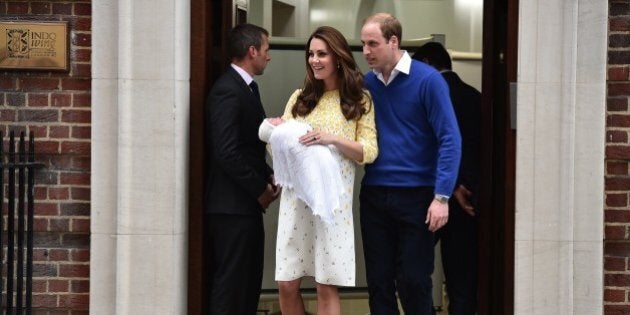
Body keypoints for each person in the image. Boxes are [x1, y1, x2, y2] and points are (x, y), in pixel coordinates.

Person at [359, 13, 462, 314]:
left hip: (418, 196)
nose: (365, 51)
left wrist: (441, 196)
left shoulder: (428, 81)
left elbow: (450, 139)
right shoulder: (366, 84)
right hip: (375, 195)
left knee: (414, 281)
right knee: (378, 283)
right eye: (364, 44)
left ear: (394, 41)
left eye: (372, 44)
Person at [274, 26, 378, 315]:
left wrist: (330, 138)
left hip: (333, 204)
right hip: (296, 202)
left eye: (322, 54)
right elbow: (276, 149)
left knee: (325, 286)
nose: (314, 60)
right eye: (311, 54)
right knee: (287, 283)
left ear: (338, 57)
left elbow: (368, 151)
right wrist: (277, 133)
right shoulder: (299, 97)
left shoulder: (361, 100)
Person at [203, 23, 280, 315]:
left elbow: (248, 144)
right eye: (266, 49)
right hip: (231, 208)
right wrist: (259, 189)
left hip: (242, 207)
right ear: (252, 51)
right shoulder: (227, 90)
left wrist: (269, 174)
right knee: (231, 284)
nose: (268, 56)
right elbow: (226, 151)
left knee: (247, 284)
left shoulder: (246, 88)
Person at [413, 42, 481, 315]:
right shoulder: (475, 97)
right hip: (470, 197)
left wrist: (451, 186)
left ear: (428, 64)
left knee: (414, 267)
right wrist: (467, 185)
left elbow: (433, 144)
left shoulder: (428, 95)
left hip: (430, 193)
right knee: (462, 276)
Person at [259, 117, 344, 224]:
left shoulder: (290, 124)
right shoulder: (282, 133)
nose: (277, 117)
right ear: (273, 128)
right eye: (272, 121)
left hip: (322, 155)